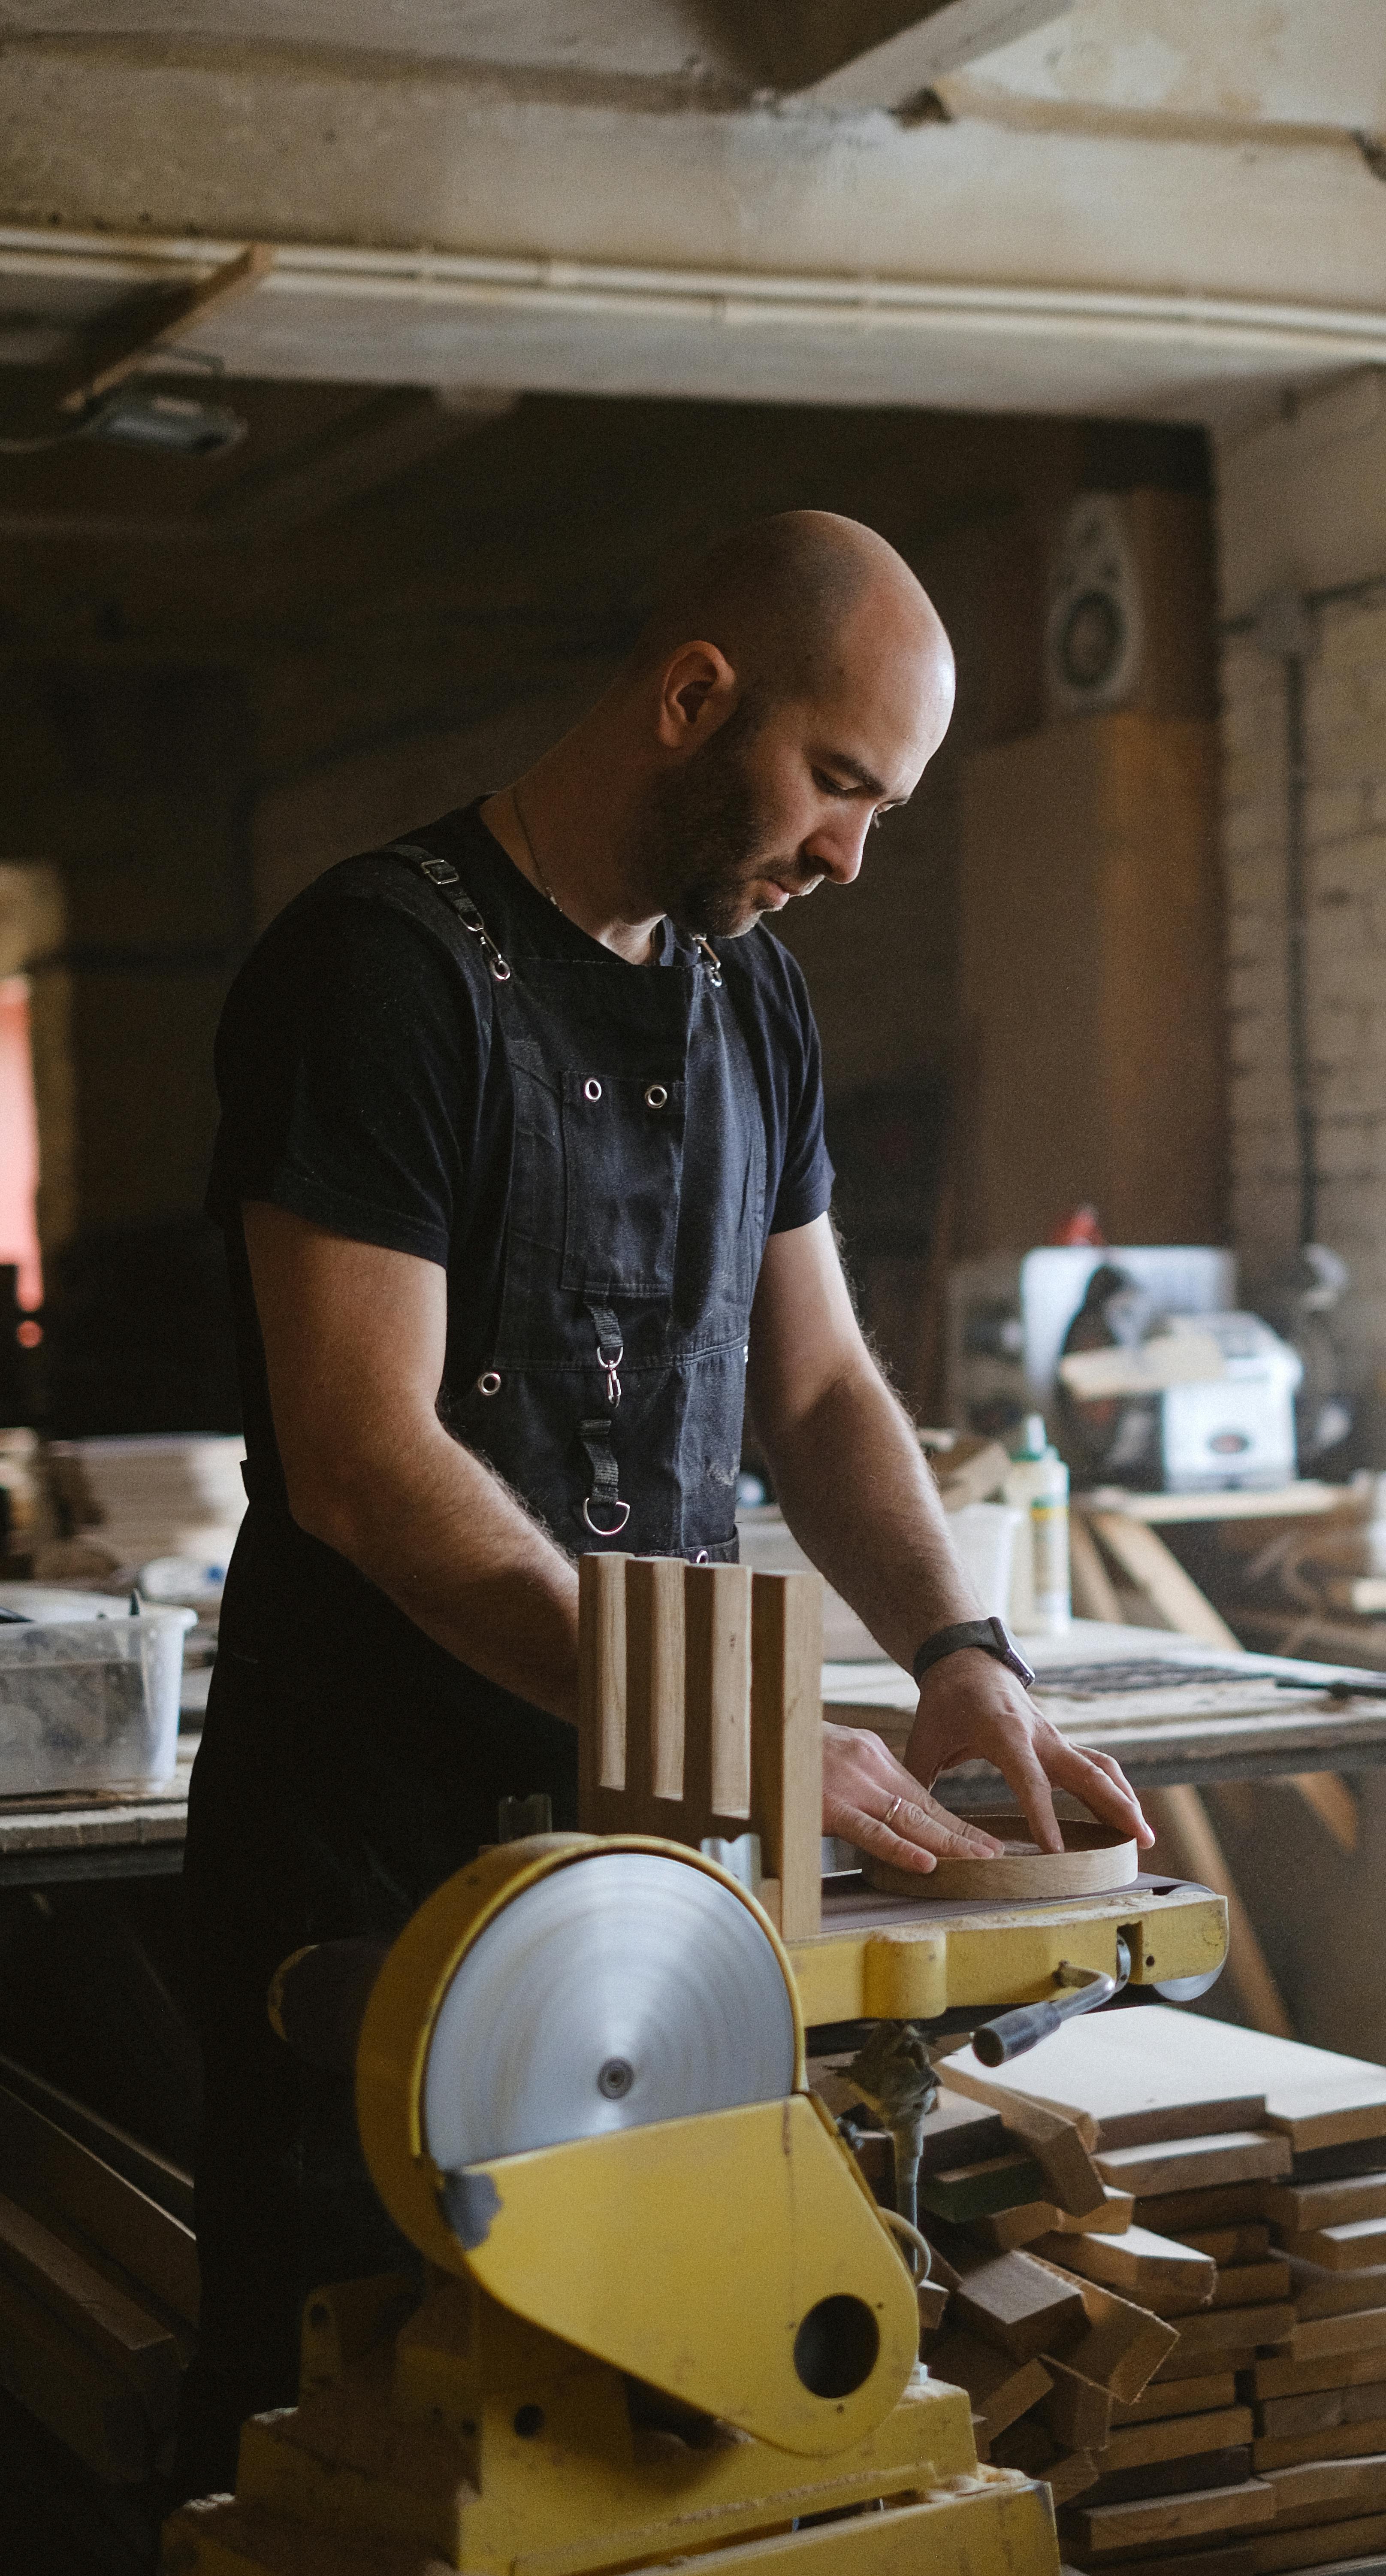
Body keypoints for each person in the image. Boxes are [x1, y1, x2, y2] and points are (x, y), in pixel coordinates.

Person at [174, 510, 1150, 2494]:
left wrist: (960, 1656)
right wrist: (730, 1725)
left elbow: (811, 1385)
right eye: (839, 782)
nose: (851, 857)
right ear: (695, 697)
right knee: (361, 2444)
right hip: (377, 1859)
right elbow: (365, 1463)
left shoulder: (746, 999)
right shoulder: (379, 970)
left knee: (641, 2428)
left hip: (655, 1861)